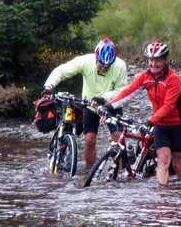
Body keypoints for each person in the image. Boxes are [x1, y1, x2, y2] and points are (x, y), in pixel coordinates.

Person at [101, 41, 181, 186]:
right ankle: (163, 197)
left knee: (178, 165)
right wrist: (109, 107)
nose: (153, 64)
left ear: (164, 60)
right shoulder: (145, 77)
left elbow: (168, 106)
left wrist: (149, 122)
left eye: (157, 60)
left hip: (179, 124)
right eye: (150, 60)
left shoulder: (173, 78)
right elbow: (128, 92)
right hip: (160, 125)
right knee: (163, 160)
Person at [42, 38, 127, 170]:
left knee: (118, 138)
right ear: (96, 57)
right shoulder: (85, 61)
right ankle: (89, 171)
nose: (104, 68)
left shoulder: (120, 66)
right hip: (90, 106)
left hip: (111, 105)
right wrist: (49, 86)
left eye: (108, 65)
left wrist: (103, 98)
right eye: (101, 64)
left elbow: (122, 91)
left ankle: (122, 172)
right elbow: (62, 70)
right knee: (89, 139)